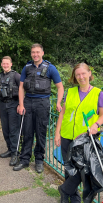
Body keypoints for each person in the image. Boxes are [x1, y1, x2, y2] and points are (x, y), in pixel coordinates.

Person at [54, 63, 103, 203]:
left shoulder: (98, 93)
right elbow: (63, 114)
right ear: (74, 77)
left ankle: (65, 190)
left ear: (89, 73)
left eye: (83, 73)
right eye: (78, 74)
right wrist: (57, 133)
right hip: (67, 135)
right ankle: (71, 197)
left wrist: (96, 124)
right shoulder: (70, 92)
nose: (81, 77)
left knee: (83, 170)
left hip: (85, 139)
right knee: (69, 169)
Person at [13, 43, 64, 174]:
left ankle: (39, 160)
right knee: (27, 131)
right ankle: (24, 159)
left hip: (43, 103)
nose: (35, 54)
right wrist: (21, 104)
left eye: (37, 52)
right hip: (28, 102)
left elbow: (60, 87)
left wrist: (58, 102)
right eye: (33, 52)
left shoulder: (50, 68)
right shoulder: (27, 68)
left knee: (41, 132)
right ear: (31, 54)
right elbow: (21, 87)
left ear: (42, 53)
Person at [0, 56, 21, 166]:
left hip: (14, 104)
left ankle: (15, 153)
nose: (5, 65)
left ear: (11, 64)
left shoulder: (16, 76)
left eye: (7, 63)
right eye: (3, 63)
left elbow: (22, 91)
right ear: (1, 64)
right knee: (5, 129)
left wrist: (20, 104)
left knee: (13, 129)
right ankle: (10, 149)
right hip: (3, 105)